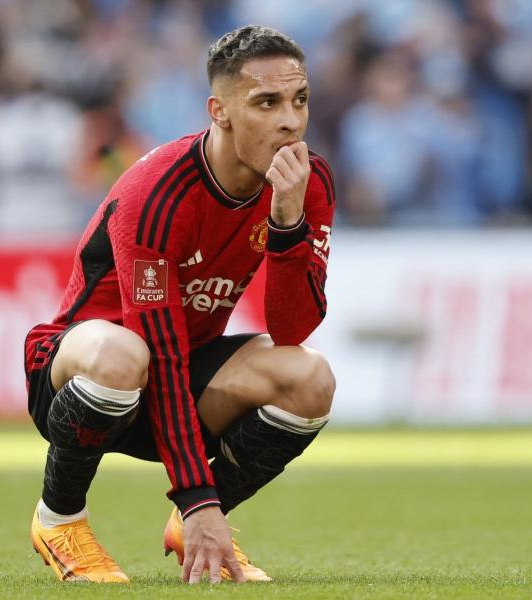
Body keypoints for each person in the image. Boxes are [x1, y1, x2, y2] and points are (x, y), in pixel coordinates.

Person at [23, 25, 336, 585]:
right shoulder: (156, 193)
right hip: (81, 375)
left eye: (300, 99)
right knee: (125, 354)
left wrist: (288, 223)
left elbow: (291, 330)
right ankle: (59, 518)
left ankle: (191, 526)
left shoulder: (304, 183)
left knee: (310, 378)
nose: (290, 120)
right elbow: (159, 350)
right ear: (220, 111)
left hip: (184, 380)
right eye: (267, 102)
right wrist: (198, 498)